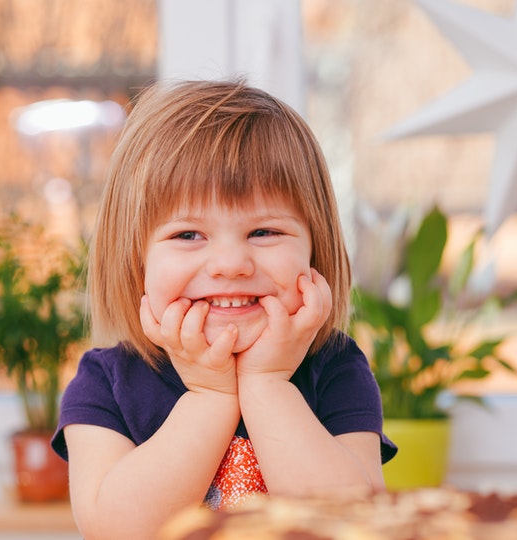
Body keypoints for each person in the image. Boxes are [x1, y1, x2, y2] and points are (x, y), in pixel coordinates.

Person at [50, 79, 396, 539]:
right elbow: (117, 529)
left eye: (264, 232)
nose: (231, 264)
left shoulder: (336, 368)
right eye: (188, 235)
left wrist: (267, 384)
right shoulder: (105, 383)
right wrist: (209, 397)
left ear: (316, 251)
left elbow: (354, 524)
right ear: (136, 260)